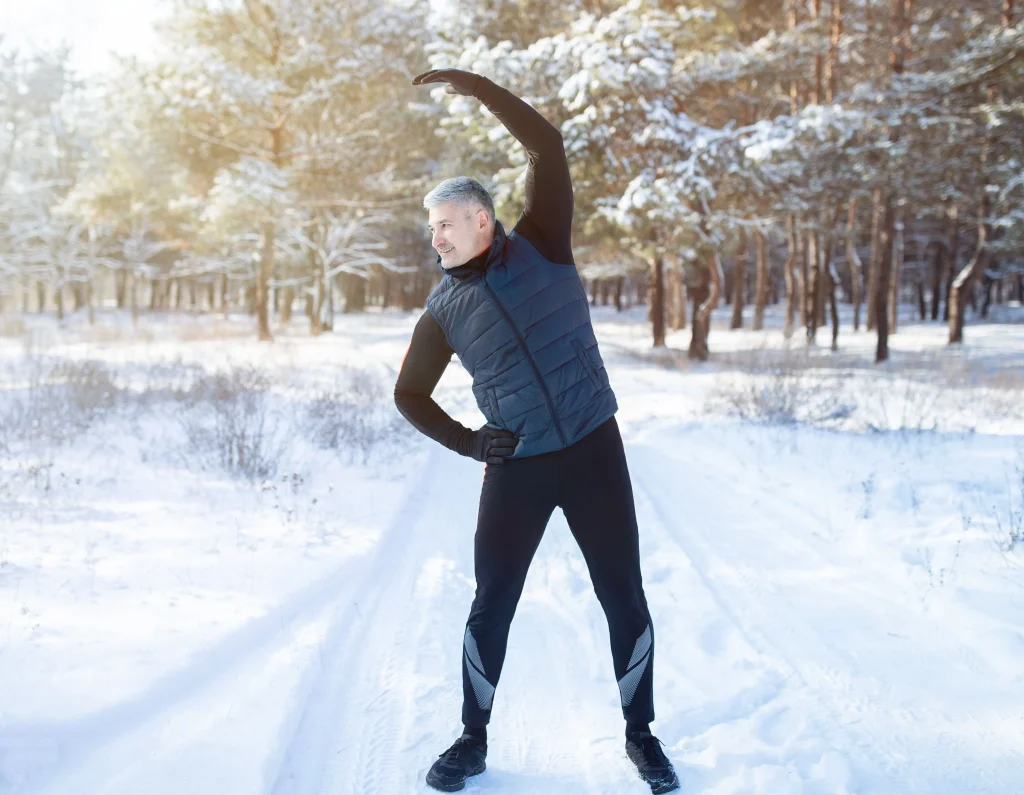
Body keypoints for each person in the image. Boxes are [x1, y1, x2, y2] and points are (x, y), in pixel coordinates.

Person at [395, 67, 679, 795]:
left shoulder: (543, 242)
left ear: (482, 220)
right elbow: (409, 395)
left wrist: (477, 87)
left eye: (446, 224)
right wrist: (469, 442)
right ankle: (471, 739)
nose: (436, 238)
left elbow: (546, 146)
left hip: (592, 449)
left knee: (623, 594)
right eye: (432, 228)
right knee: (492, 601)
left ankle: (641, 735)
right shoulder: (442, 312)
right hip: (518, 465)